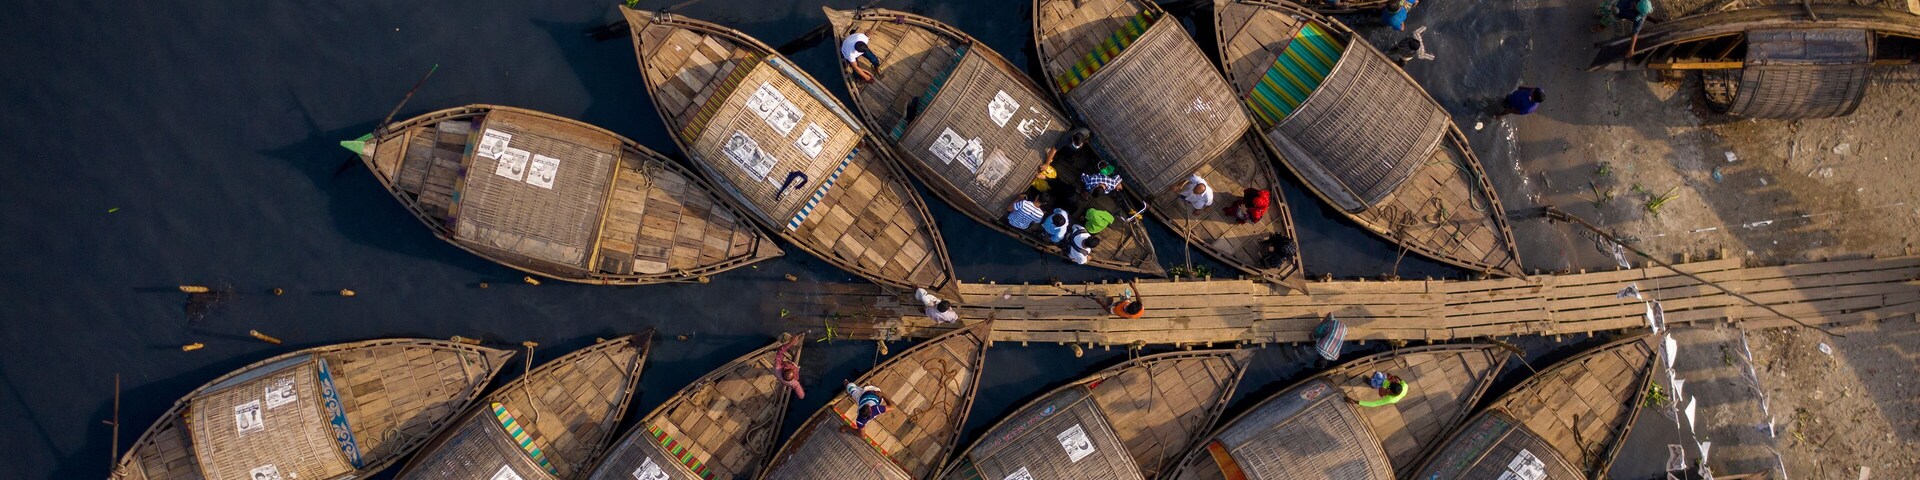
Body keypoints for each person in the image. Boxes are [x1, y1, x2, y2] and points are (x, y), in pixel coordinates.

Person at [774, 333, 806, 399]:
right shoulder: (794, 383)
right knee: (795, 369)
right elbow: (801, 396)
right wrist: (795, 368)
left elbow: (780, 351)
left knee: (789, 364)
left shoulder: (777, 367)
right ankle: (795, 367)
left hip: (780, 374)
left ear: (784, 370)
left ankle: (793, 366)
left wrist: (791, 342)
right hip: (787, 378)